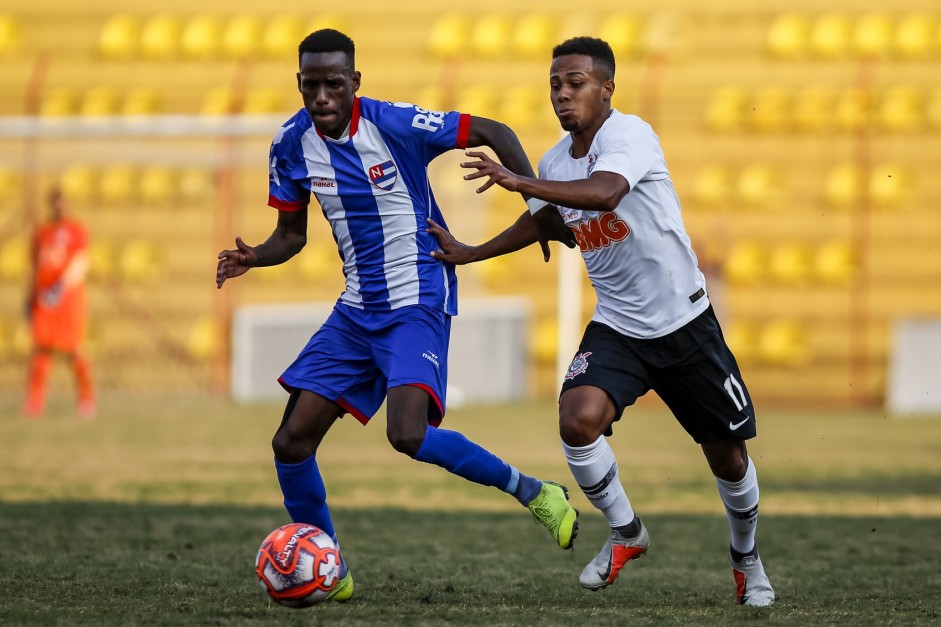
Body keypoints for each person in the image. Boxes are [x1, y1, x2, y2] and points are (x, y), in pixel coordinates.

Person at [215, 29, 578, 603]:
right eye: (311, 85)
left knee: (407, 434)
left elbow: (493, 131)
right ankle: (331, 571)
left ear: (354, 83)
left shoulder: (394, 124)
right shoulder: (289, 143)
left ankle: (537, 492)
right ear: (299, 85)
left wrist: (538, 206)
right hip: (357, 310)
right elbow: (291, 234)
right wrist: (254, 257)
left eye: (334, 84)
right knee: (291, 442)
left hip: (417, 297)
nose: (322, 97)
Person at [427, 36, 775, 606]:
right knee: (576, 418)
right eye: (554, 85)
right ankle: (627, 533)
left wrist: (521, 184)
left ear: (606, 88)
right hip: (618, 327)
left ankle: (747, 560)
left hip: (684, 323)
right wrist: (471, 251)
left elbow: (606, 194)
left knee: (728, 456)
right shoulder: (553, 162)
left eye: (575, 82)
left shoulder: (629, 135)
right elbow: (546, 222)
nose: (563, 94)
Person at [23, 186, 95, 419]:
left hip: (68, 300)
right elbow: (35, 269)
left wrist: (61, 287)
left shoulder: (76, 231)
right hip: (44, 300)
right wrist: (30, 297)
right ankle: (35, 401)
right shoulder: (42, 233)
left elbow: (81, 262)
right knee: (41, 350)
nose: (59, 207)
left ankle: (86, 398)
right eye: (55, 203)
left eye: (62, 203)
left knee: (73, 350)